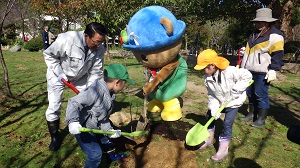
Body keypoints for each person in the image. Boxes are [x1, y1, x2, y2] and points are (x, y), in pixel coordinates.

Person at [43, 22, 107, 151]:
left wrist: (89, 91)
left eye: (101, 42)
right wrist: (59, 72)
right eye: (96, 42)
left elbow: (96, 71)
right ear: (86, 36)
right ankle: (55, 137)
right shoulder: (67, 39)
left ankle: (86, 131)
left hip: (80, 77)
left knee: (89, 103)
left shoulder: (100, 48)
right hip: (58, 74)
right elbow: (49, 55)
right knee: (54, 106)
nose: (98, 45)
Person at [65, 63, 135, 167]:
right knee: (95, 155)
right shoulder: (95, 91)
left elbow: (103, 117)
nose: (124, 86)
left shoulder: (111, 94)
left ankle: (110, 156)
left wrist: (109, 130)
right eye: (125, 83)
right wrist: (72, 121)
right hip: (83, 128)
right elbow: (73, 102)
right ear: (117, 82)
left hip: (96, 125)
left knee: (107, 141)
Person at [194, 49, 252, 162]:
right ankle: (209, 138)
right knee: (209, 116)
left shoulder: (230, 71)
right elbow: (211, 94)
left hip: (234, 101)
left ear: (212, 65)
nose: (203, 71)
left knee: (227, 123)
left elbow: (247, 76)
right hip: (220, 101)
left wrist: (237, 89)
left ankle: (223, 148)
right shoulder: (207, 78)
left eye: (204, 68)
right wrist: (214, 107)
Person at [239, 8, 284, 128]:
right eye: (257, 22)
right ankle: (251, 114)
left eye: (262, 22)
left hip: (262, 71)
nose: (258, 24)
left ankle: (261, 119)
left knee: (260, 94)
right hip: (249, 69)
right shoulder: (254, 34)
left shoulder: (275, 36)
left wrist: (273, 69)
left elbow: (278, 55)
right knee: (250, 93)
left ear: (268, 22)